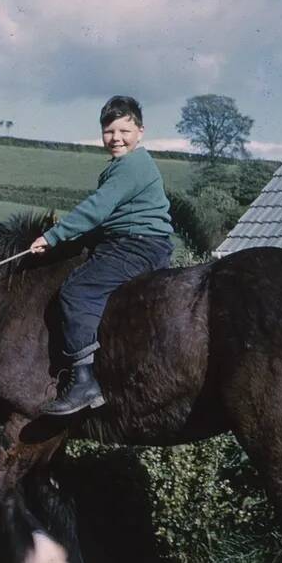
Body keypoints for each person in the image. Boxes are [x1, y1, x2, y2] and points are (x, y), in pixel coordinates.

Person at [29, 95, 174, 415]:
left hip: (137, 245)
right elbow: (110, 219)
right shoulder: (123, 166)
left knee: (77, 291)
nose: (116, 138)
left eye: (124, 130)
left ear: (141, 132)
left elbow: (97, 209)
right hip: (131, 240)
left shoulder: (132, 165)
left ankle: (84, 381)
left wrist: (53, 237)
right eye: (109, 131)